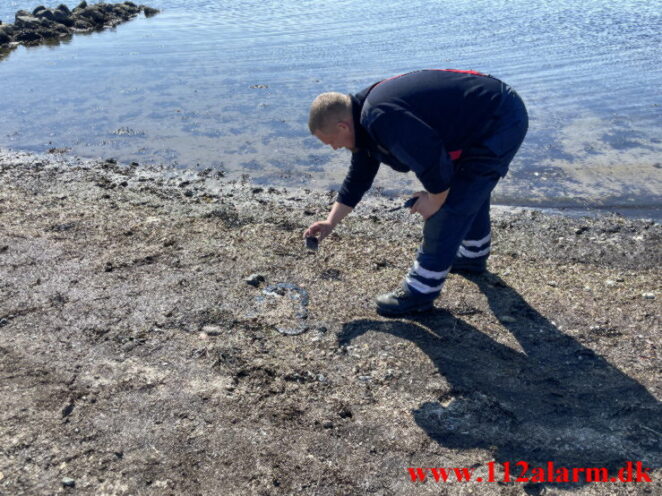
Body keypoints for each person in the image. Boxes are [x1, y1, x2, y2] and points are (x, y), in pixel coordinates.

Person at [304, 69, 528, 316]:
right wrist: (330, 222)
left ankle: (419, 292)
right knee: (467, 191)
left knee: (451, 204)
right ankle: (472, 256)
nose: (335, 148)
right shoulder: (363, 122)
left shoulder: (380, 117)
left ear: (342, 126)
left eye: (331, 142)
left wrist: (434, 200)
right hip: (485, 113)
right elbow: (358, 178)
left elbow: (434, 164)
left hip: (499, 119)